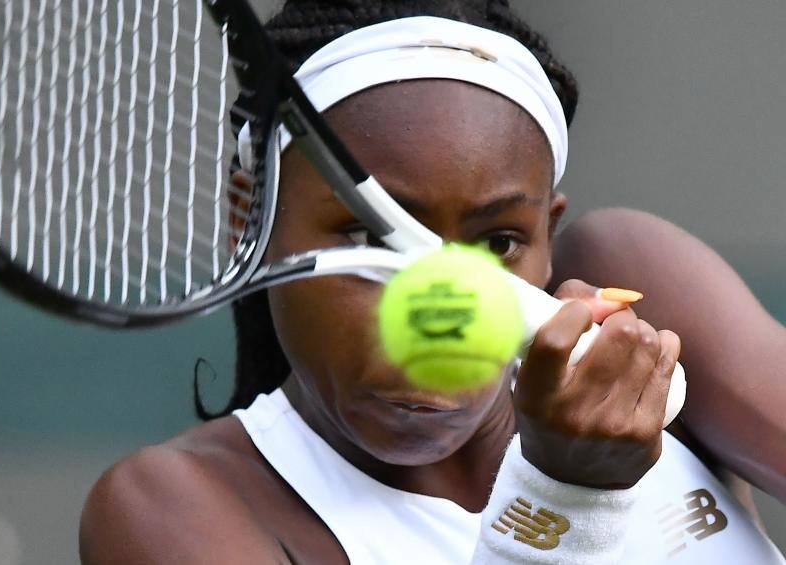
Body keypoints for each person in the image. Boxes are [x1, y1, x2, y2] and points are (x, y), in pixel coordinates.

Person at [79, 1, 785, 563]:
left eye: (498, 242)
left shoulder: (632, 275)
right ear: (250, 218)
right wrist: (562, 497)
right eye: (369, 236)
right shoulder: (172, 509)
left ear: (547, 237)